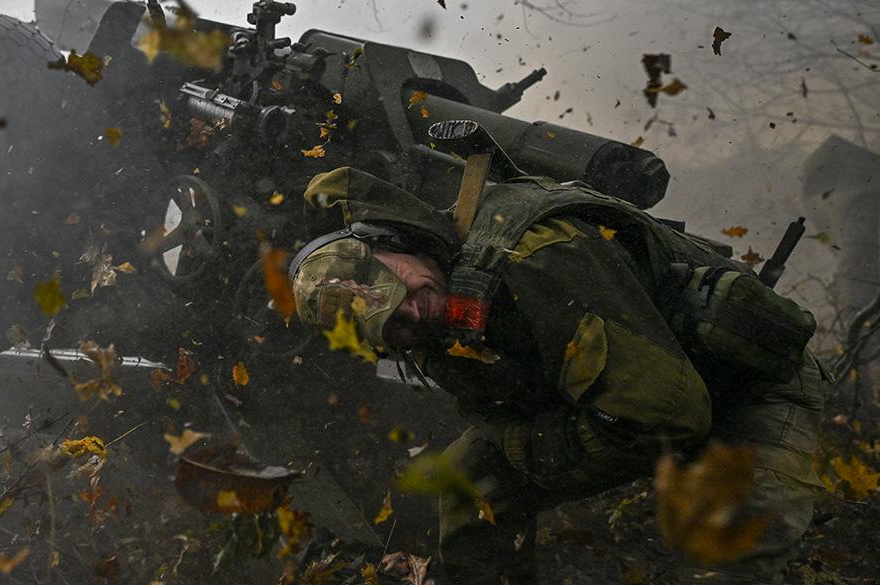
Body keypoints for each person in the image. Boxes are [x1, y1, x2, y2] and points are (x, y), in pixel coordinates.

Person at [290, 166, 830, 585]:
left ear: (395, 241)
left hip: (742, 385)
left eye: (396, 288)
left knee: (727, 558)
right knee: (466, 486)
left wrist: (532, 450)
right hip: (613, 394)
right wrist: (525, 440)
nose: (411, 315)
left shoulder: (533, 259)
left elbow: (666, 416)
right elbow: (491, 410)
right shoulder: (431, 319)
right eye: (391, 327)